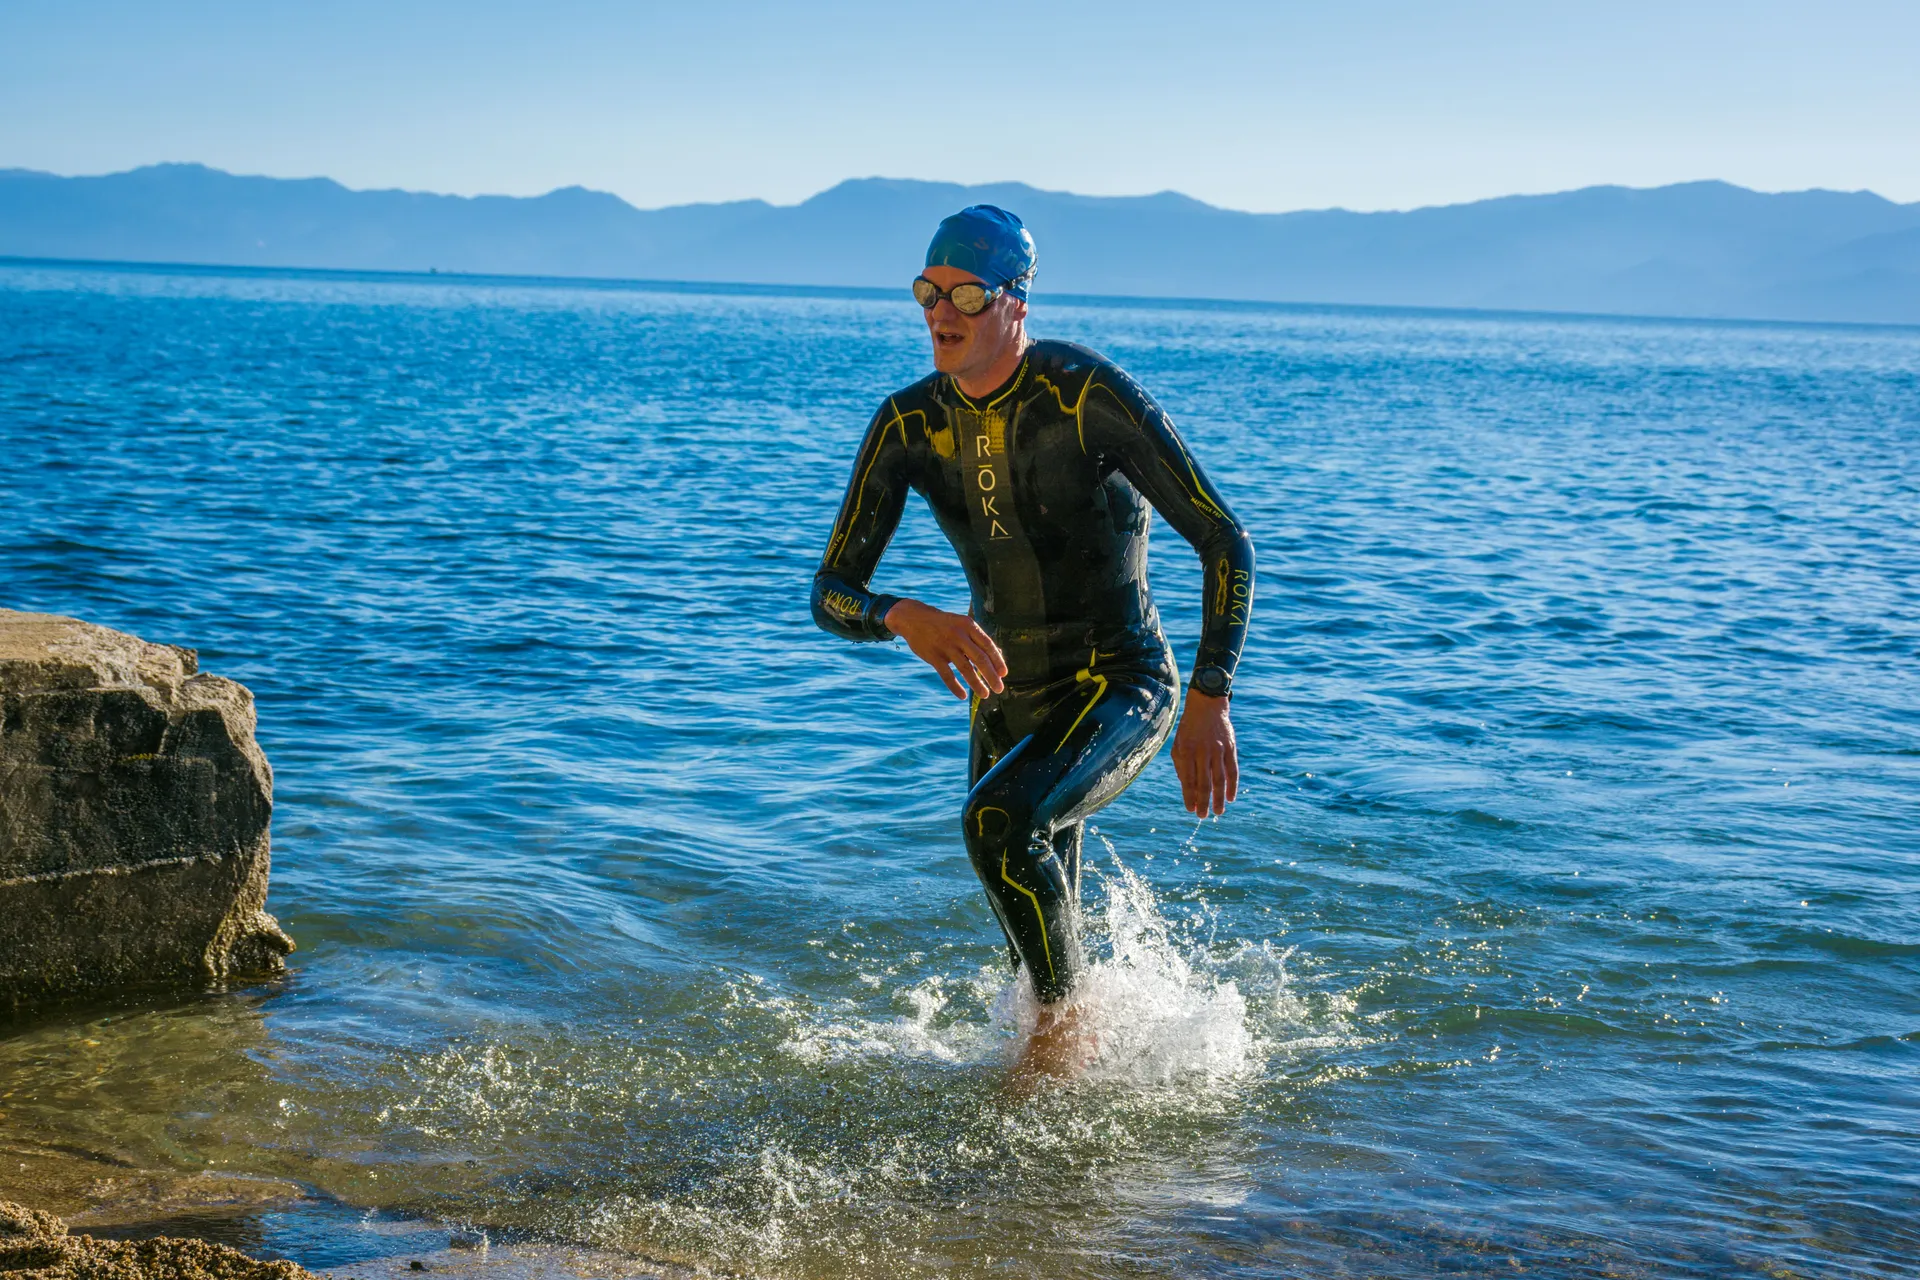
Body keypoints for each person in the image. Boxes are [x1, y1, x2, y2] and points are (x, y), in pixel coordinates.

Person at [810, 205, 1254, 1077]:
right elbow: (831, 593)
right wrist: (904, 615)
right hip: (1006, 699)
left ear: (1017, 301)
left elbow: (1223, 540)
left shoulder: (1086, 395)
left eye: (967, 294)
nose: (942, 312)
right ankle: (1067, 1101)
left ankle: (1060, 1051)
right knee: (1029, 921)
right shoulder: (909, 424)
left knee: (997, 823)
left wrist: (1209, 697)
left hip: (1121, 684)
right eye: (928, 291)